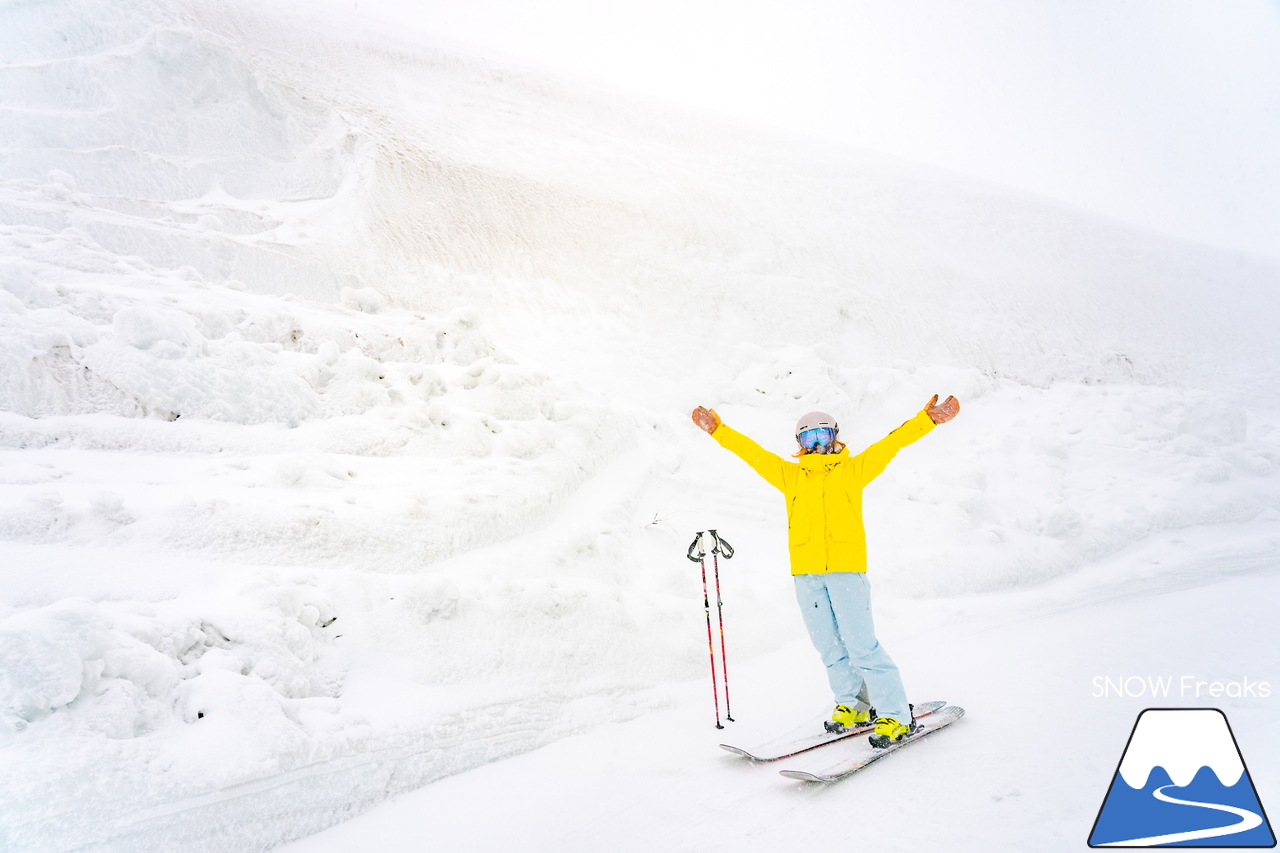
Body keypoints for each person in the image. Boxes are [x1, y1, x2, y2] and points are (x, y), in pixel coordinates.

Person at [691, 395, 960, 747]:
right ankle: (854, 705)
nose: (816, 445)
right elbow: (752, 454)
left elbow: (892, 443)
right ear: (799, 444)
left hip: (846, 572)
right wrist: (719, 431)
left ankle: (895, 715)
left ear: (834, 438)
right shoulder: (789, 476)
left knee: (863, 647)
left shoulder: (854, 470)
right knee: (829, 647)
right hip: (806, 574)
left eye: (822, 436)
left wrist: (928, 420)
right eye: (807, 438)